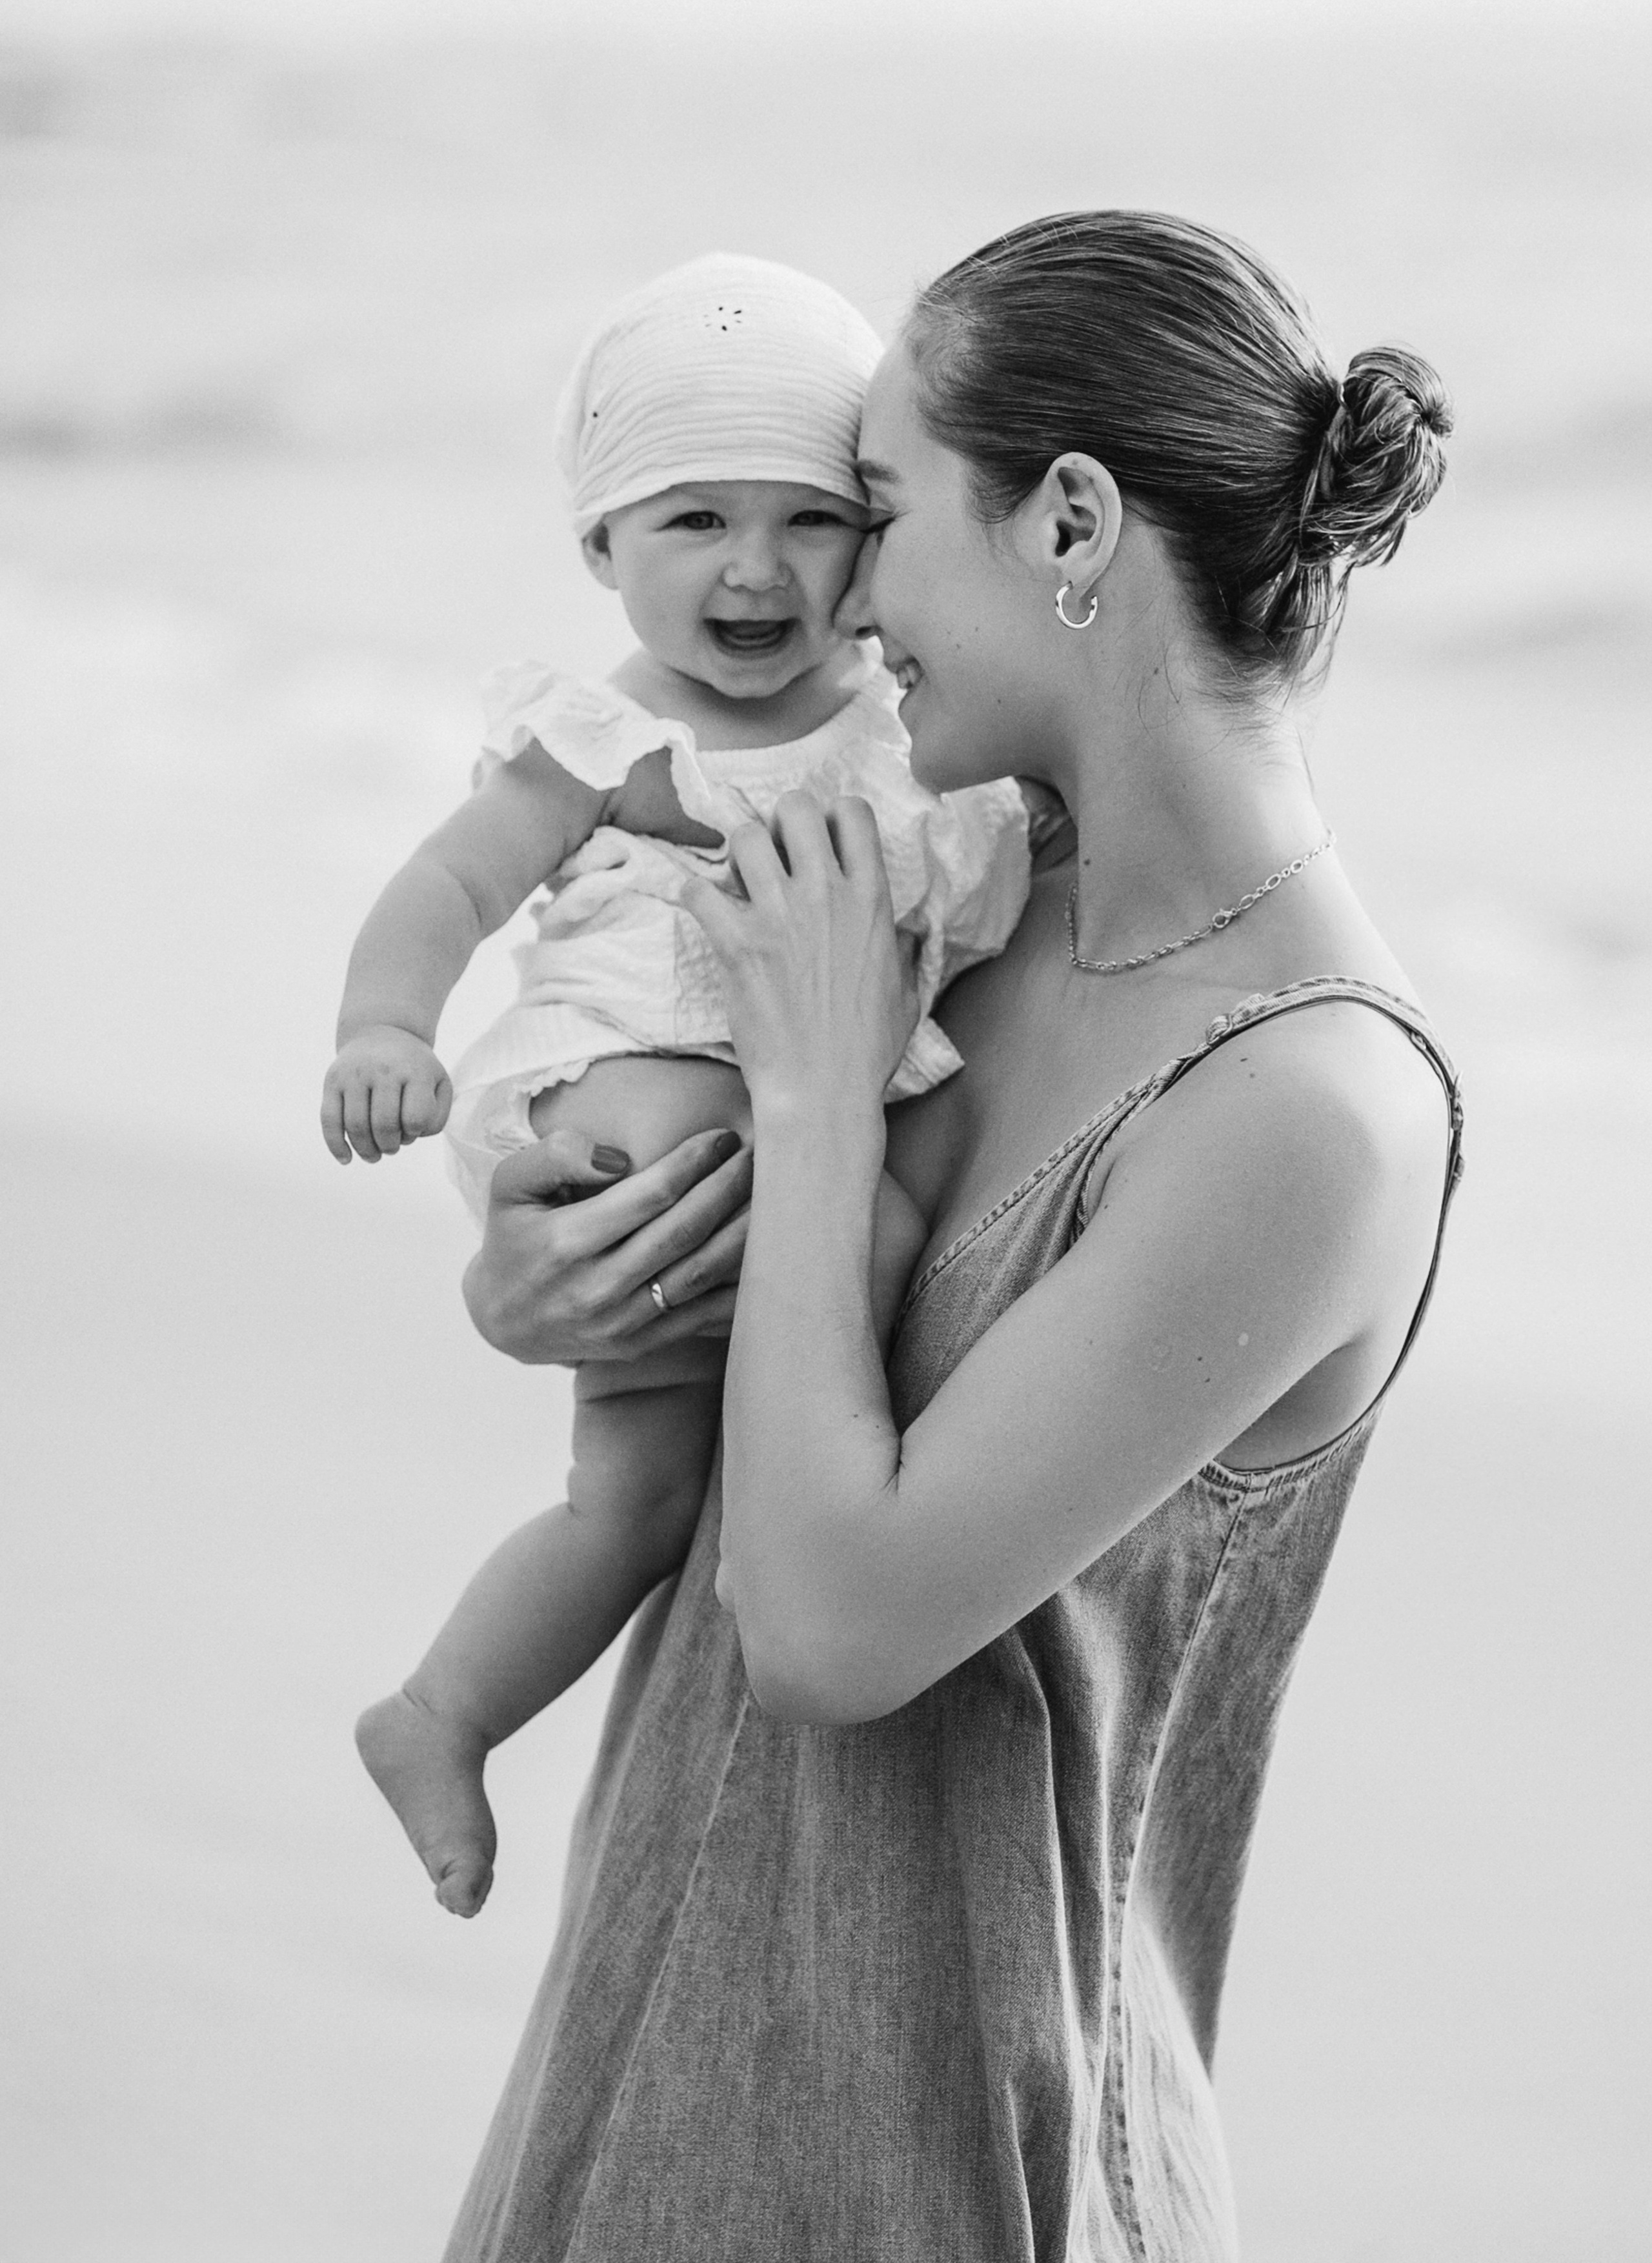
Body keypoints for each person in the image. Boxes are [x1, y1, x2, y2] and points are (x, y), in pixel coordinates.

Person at [443, 212, 1465, 2261]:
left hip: (959, 2155)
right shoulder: (960, 913)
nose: (838, 594)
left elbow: (831, 1629)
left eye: (878, 513)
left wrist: (820, 1095)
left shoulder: (1307, 1114)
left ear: (1071, 522)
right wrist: (541, 1258)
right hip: (655, 2029)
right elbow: (728, 1348)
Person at [320, 254, 1031, 1916]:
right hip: (637, 1113)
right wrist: (384, 1034)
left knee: (640, 1508)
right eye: (694, 521)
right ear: (600, 549)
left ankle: (436, 1717)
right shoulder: (605, 741)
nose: (758, 569)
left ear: (879, 536)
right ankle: (470, 1699)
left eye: (809, 518)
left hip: (803, 1128)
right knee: (756, 1360)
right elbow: (448, 889)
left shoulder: (910, 730)